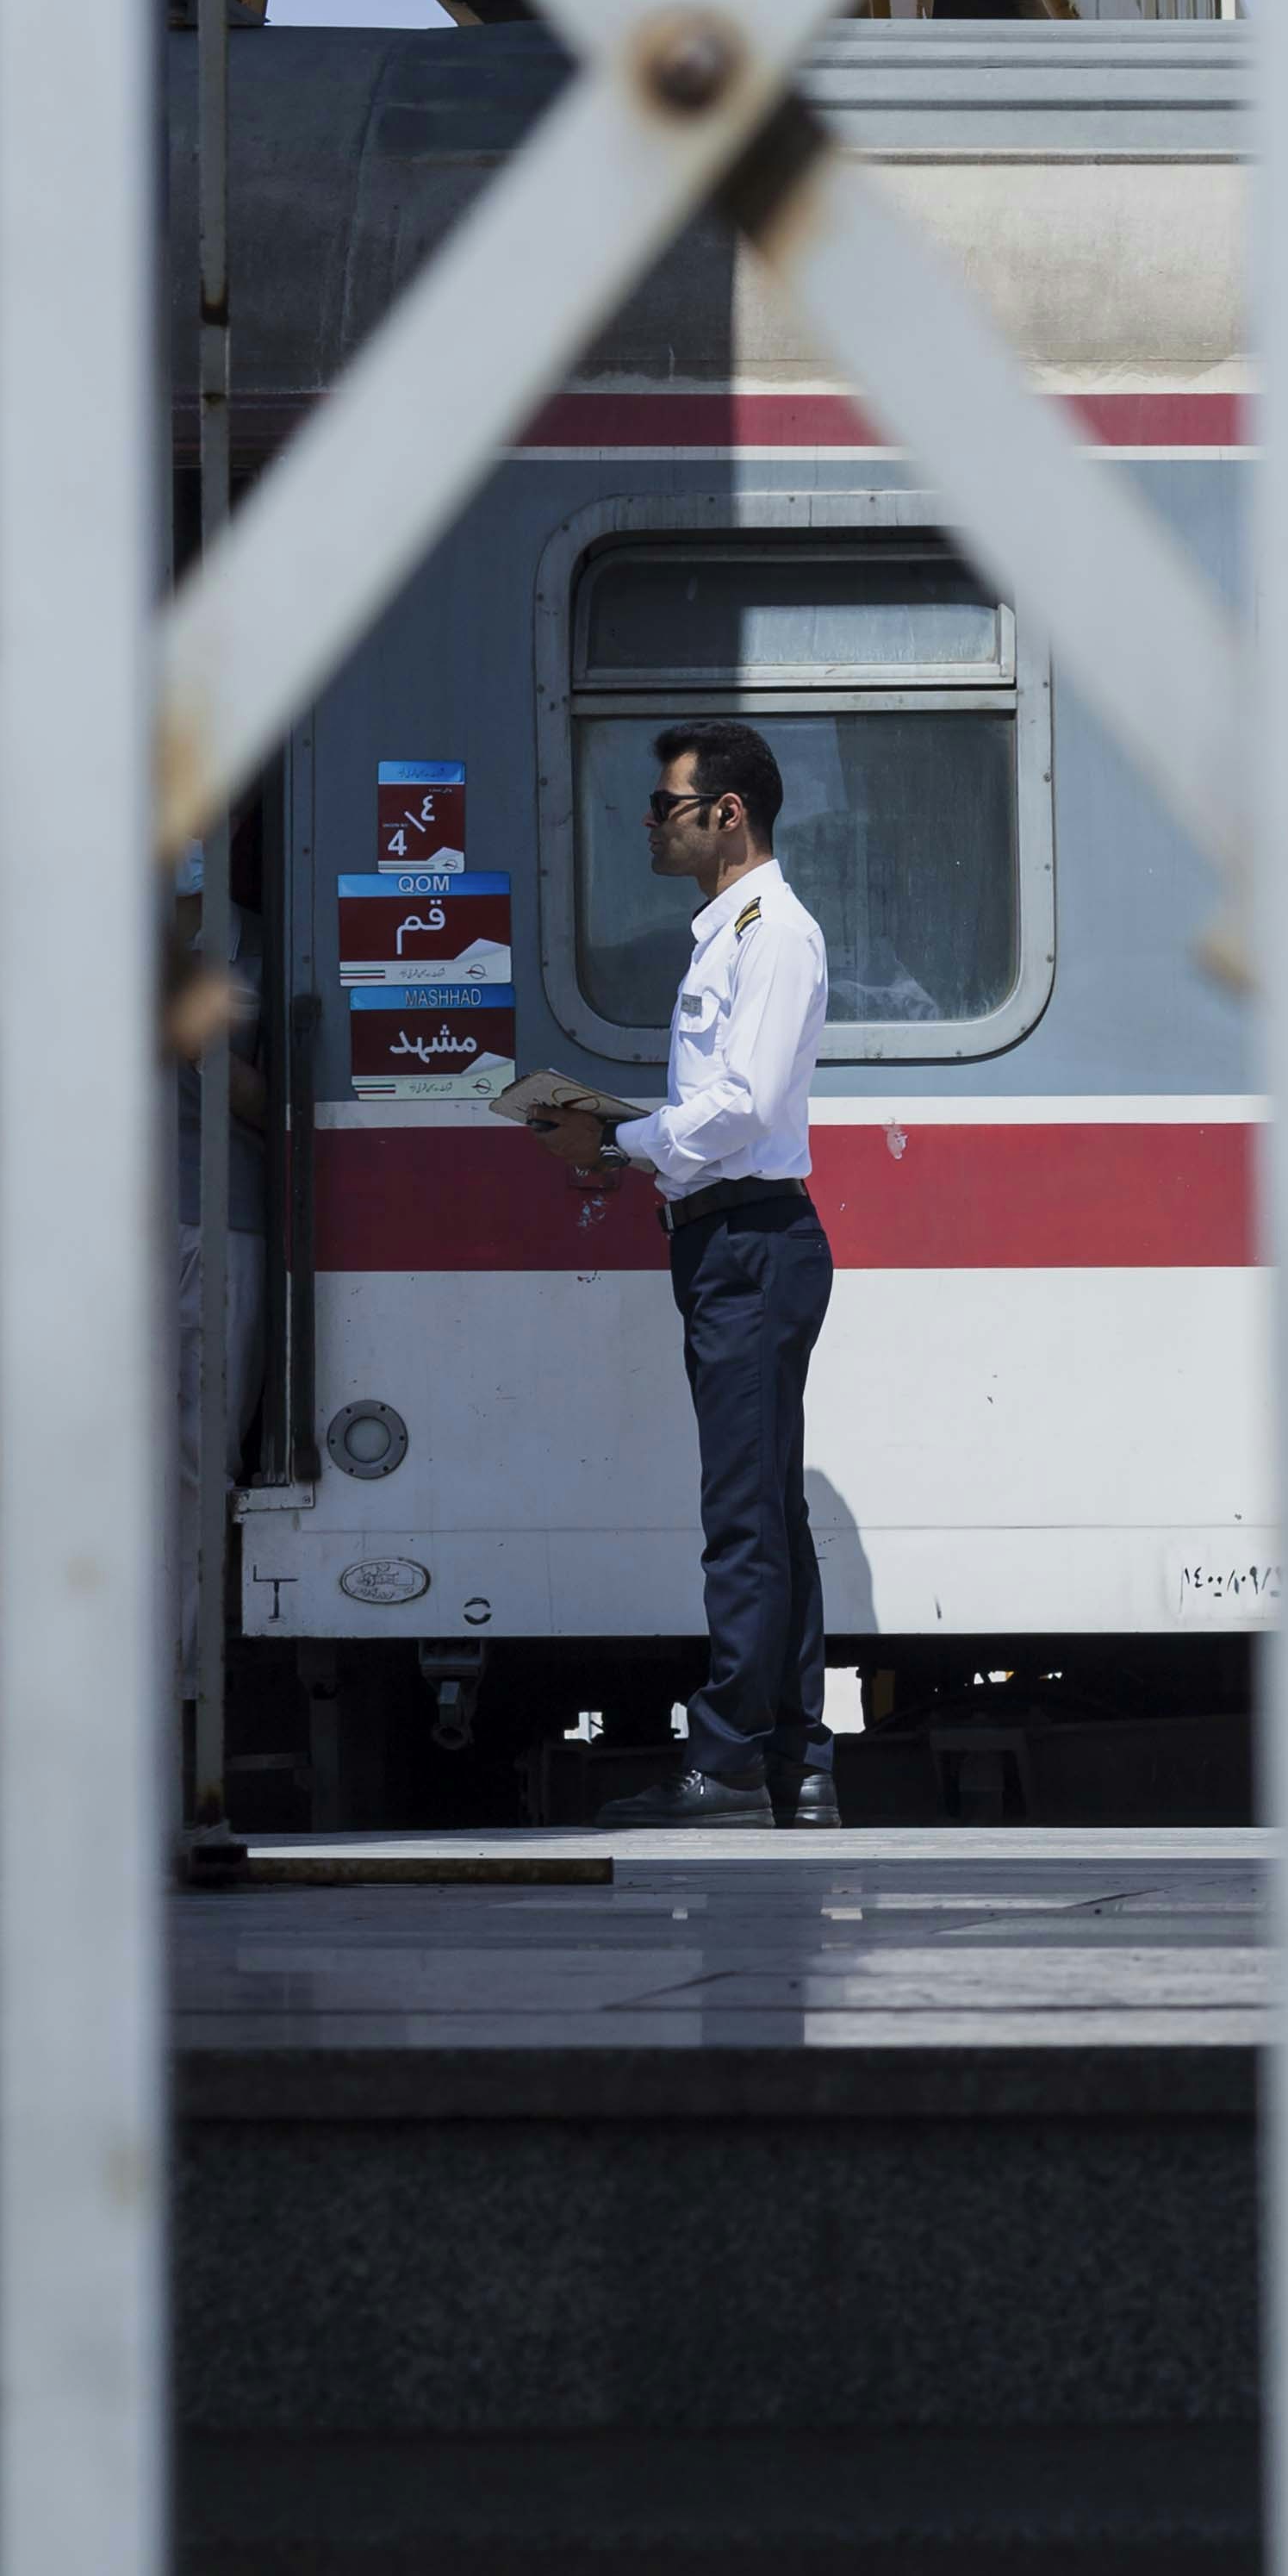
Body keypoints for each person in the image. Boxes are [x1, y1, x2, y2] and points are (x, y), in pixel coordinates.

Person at [528, 720, 841, 1826]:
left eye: (666, 805)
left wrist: (616, 1143)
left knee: (743, 1517)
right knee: (767, 1511)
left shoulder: (772, 933)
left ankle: (724, 1765)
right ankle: (798, 1760)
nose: (650, 824)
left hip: (750, 1244)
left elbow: (745, 1105)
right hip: (733, 1239)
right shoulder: (729, 935)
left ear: (728, 815)